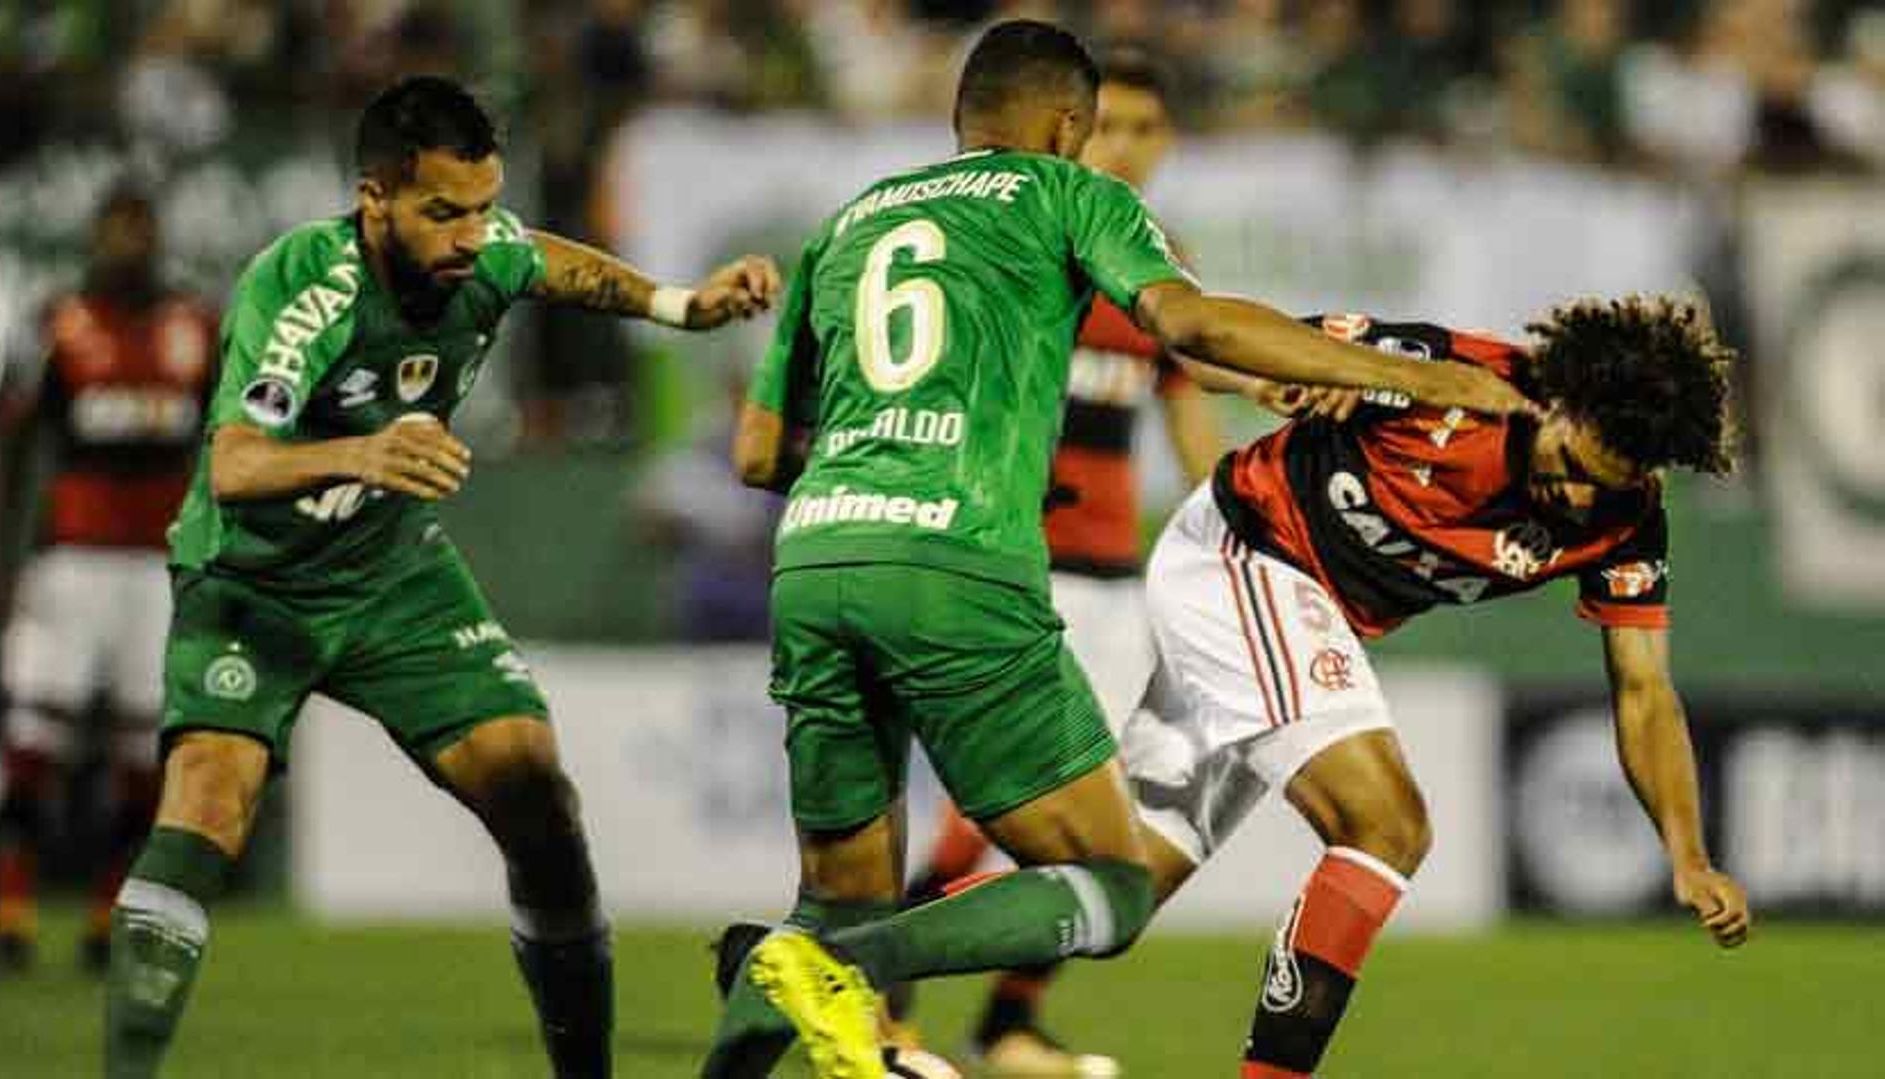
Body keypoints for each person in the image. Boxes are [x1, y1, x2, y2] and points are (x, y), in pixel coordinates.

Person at [708, 20, 1530, 1079]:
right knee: (1112, 878)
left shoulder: (850, 221)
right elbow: (1194, 327)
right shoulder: (1073, 197)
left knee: (833, 892)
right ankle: (875, 977)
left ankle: (816, 976)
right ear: (1069, 127)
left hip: (815, 558)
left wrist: (879, 461)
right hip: (964, 569)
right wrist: (1415, 377)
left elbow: (761, 449)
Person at [102, 76, 779, 1079]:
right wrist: (361, 454)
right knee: (207, 802)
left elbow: (543, 257)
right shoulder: (308, 284)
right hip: (254, 583)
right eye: (442, 211)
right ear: (375, 197)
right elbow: (234, 464)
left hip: (393, 574)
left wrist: (680, 304)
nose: (470, 235)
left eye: (482, 206)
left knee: (541, 801)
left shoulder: (484, 248)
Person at [1131, 300, 1753, 1079]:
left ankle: (926, 992)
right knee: (1387, 824)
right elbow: (1200, 349)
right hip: (1247, 551)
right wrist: (1291, 377)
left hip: (1296, 622)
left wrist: (1687, 852)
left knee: (1115, 888)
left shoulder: (1625, 520)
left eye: (1611, 483)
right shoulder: (1446, 378)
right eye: (1578, 466)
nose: (1580, 498)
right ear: (1557, 403)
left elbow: (1644, 690)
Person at [888, 48, 1220, 1076]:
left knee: (1101, 823)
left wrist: (1234, 532)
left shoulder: (1157, 256)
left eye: (1144, 129)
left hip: (1115, 582)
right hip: (1018, 573)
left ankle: (1007, 1024)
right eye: (1107, 125)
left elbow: (1184, 405)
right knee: (986, 819)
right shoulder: (1023, 234)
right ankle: (878, 1003)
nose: (1123, 147)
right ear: (1069, 130)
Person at [0, 184, 217, 977]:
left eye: (138, 227)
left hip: (156, 566)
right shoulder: (62, 323)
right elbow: (17, 449)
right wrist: (6, 561)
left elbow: (225, 446)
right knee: (32, 743)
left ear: (154, 235)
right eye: (115, 228)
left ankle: (104, 920)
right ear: (96, 235)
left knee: (140, 757)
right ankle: (10, 917)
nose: (127, 243)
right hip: (70, 560)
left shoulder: (195, 327)